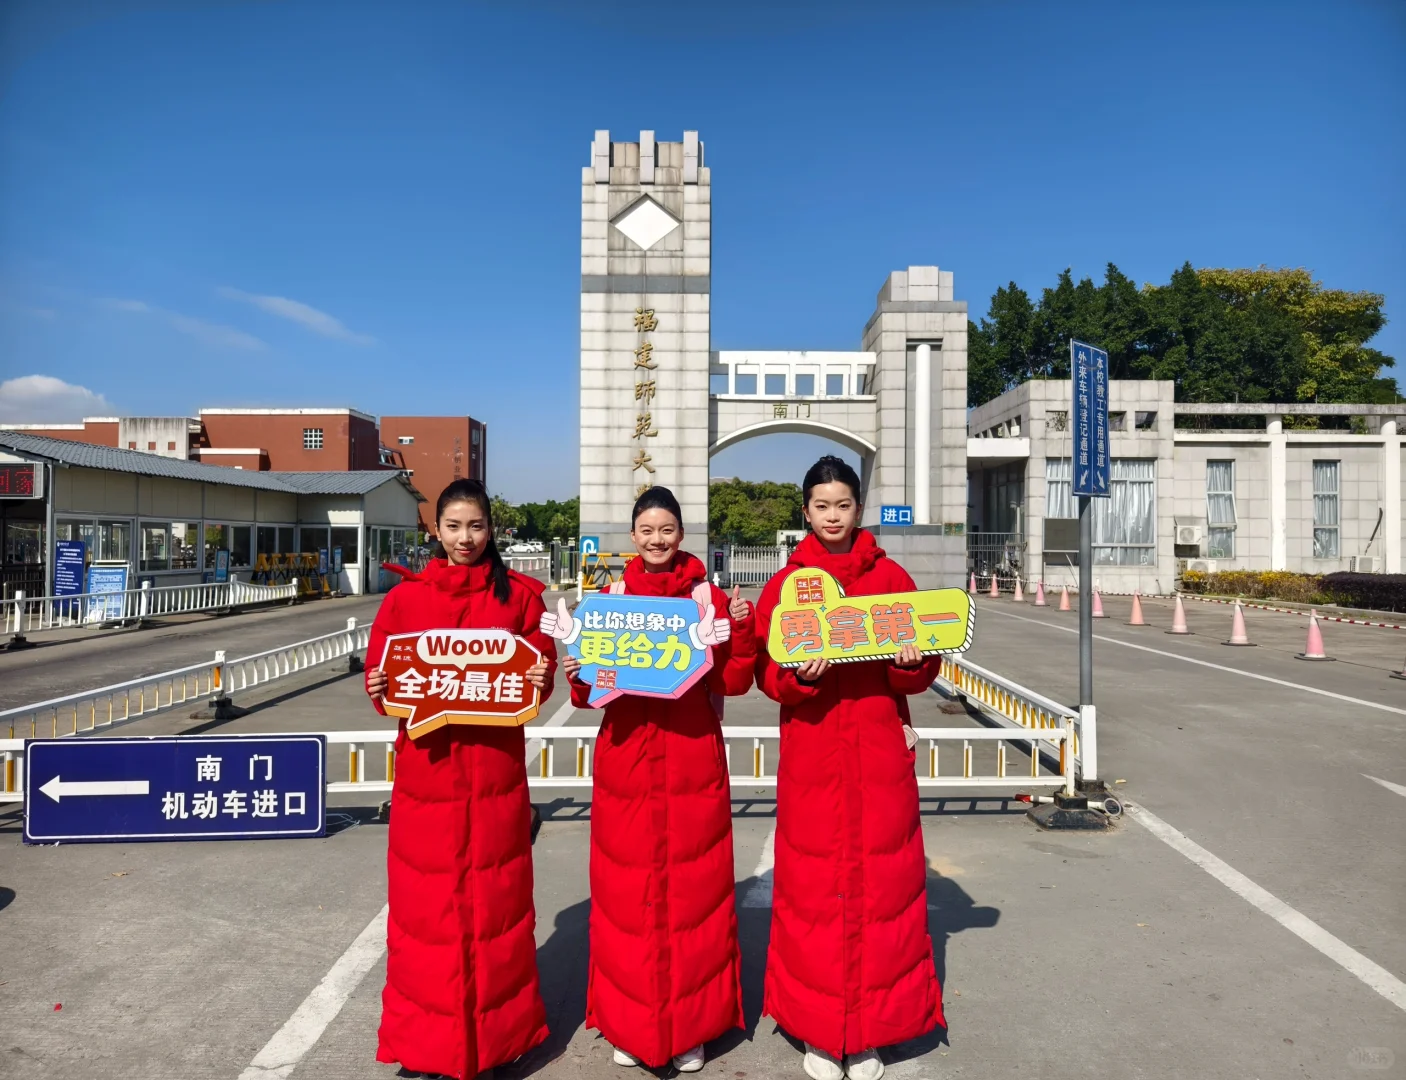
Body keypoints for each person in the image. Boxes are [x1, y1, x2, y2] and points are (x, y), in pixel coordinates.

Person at [542, 486, 755, 1073]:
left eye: (667, 529)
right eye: (646, 530)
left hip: (692, 760)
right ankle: (631, 1025)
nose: (657, 540)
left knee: (697, 897)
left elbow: (734, 683)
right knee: (625, 898)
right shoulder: (609, 599)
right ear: (632, 537)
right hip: (627, 762)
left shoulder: (708, 597)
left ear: (681, 534)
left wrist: (739, 628)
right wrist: (577, 672)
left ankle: (693, 1027)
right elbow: (589, 694)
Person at [754, 456, 944, 1080]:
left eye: (843, 505)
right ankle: (817, 1027)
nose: (833, 517)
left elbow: (920, 667)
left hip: (879, 751)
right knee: (812, 891)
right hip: (812, 753)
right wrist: (795, 677)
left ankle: (869, 1033)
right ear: (805, 511)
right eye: (821, 506)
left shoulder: (891, 576)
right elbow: (766, 672)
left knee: (885, 890)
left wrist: (912, 661)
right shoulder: (787, 585)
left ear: (859, 508)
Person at [364, 478, 556, 1080]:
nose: (465, 538)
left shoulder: (522, 597)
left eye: (475, 526)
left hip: (496, 780)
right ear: (436, 531)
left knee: (498, 916)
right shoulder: (405, 600)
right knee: (427, 921)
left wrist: (542, 672)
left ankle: (500, 1041)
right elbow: (384, 678)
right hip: (428, 780)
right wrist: (379, 689)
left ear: (490, 529)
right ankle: (425, 1050)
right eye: (453, 527)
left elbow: (537, 681)